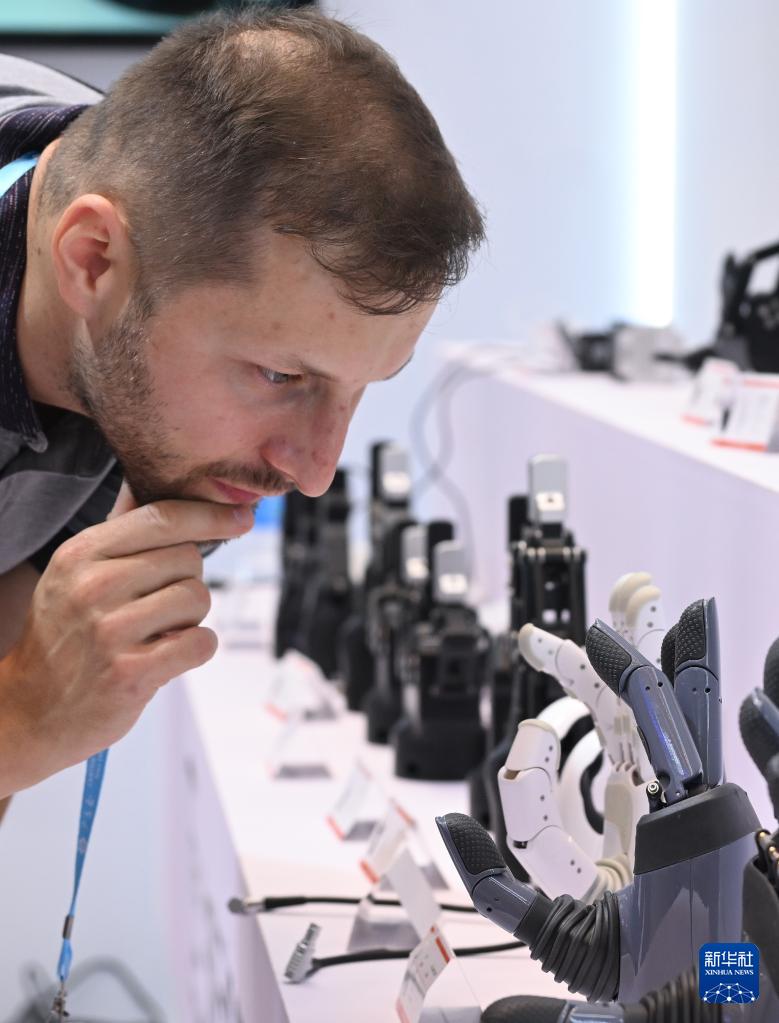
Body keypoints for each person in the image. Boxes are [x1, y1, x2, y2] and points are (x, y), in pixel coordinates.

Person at [0, 7, 484, 805]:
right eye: (279, 376)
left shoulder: (144, 248)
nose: (314, 471)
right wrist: (22, 722)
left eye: (360, 389)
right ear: (92, 261)